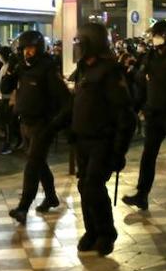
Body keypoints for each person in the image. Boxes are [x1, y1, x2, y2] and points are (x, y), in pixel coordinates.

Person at [54, 22, 134, 256]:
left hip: (103, 140)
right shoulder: (83, 69)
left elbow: (125, 115)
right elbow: (76, 103)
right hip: (82, 140)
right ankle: (92, 232)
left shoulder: (110, 72)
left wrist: (119, 151)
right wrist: (59, 125)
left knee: (93, 187)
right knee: (84, 186)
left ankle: (107, 233)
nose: (77, 46)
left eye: (80, 42)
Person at [123, 19, 166, 210]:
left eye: (158, 35)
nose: (154, 38)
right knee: (148, 155)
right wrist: (137, 106)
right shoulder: (149, 57)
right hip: (154, 114)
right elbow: (142, 83)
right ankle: (142, 194)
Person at [6, 30, 69, 222]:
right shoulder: (22, 67)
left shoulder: (47, 69)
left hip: (42, 125)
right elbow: (5, 88)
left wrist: (55, 124)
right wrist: (10, 70)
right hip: (25, 122)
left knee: (32, 165)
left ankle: (23, 207)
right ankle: (51, 197)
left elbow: (65, 98)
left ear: (39, 49)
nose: (27, 52)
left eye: (31, 48)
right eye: (24, 48)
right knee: (39, 163)